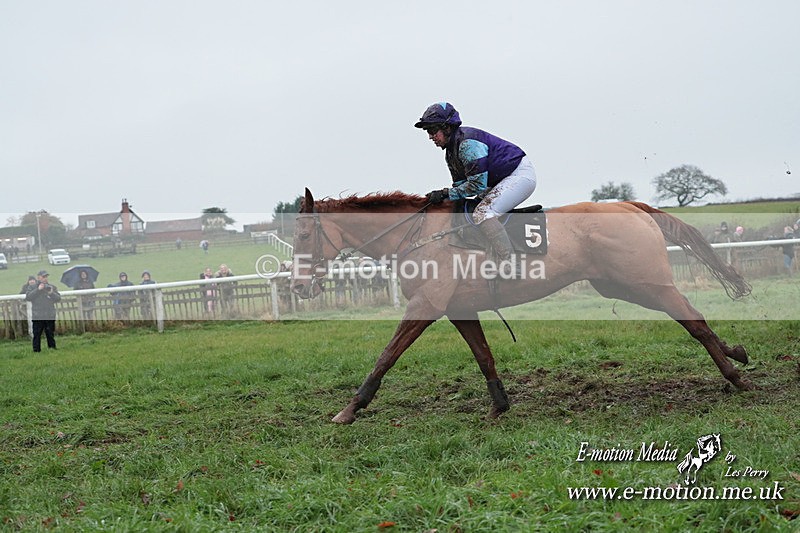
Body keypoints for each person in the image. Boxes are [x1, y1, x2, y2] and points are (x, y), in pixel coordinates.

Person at [415, 102, 537, 276]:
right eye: (428, 132)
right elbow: (459, 187)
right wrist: (442, 199)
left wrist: (444, 193)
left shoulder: (467, 144)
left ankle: (511, 265)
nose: (430, 136)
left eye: (433, 130)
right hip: (500, 179)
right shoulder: (450, 152)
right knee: (471, 209)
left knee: (483, 213)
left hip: (519, 175)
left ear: (447, 127)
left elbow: (476, 186)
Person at [25, 270, 61, 352]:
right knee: (37, 334)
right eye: (43, 277)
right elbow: (28, 297)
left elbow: (58, 298)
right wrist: (38, 290)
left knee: (50, 333)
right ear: (39, 277)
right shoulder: (32, 287)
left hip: (49, 314)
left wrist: (51, 293)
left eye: (46, 277)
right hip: (38, 315)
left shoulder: (51, 287)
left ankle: (52, 348)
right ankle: (36, 350)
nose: (45, 278)